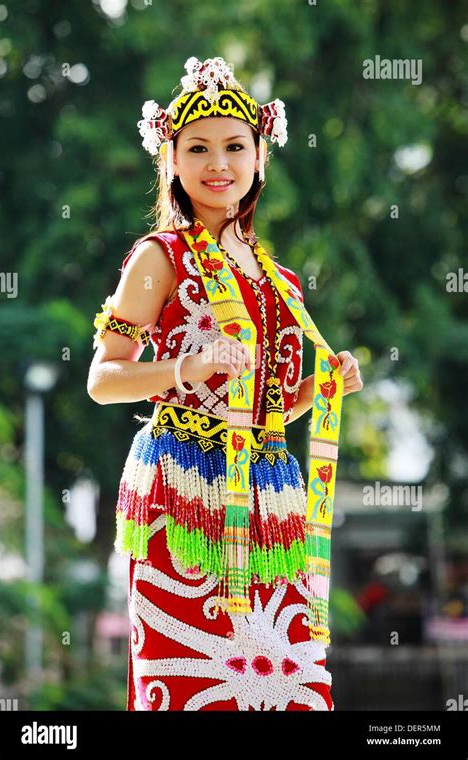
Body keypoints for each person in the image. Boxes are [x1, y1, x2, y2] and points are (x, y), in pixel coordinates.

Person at [87, 56, 363, 711]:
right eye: (199, 148)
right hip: (181, 499)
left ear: (260, 157)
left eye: (236, 147)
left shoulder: (283, 282)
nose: (220, 163)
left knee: (292, 689)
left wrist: (322, 388)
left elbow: (269, 415)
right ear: (172, 162)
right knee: (191, 689)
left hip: (270, 506)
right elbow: (103, 379)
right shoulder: (161, 257)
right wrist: (184, 368)